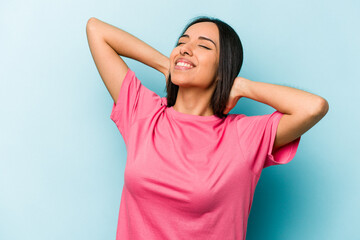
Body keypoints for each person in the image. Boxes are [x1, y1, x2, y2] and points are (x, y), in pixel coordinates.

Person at [86, 16, 329, 240]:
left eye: (203, 46)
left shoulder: (243, 136)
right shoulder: (143, 113)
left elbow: (313, 107)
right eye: (182, 42)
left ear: (223, 69)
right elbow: (96, 30)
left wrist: (243, 86)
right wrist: (167, 65)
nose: (186, 48)